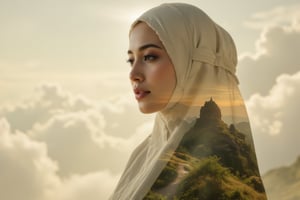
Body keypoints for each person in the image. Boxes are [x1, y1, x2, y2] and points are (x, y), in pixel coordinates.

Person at [110, 3, 268, 200]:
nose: (133, 74)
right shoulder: (142, 156)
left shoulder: (218, 172)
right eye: (131, 60)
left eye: (150, 56)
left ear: (194, 64)